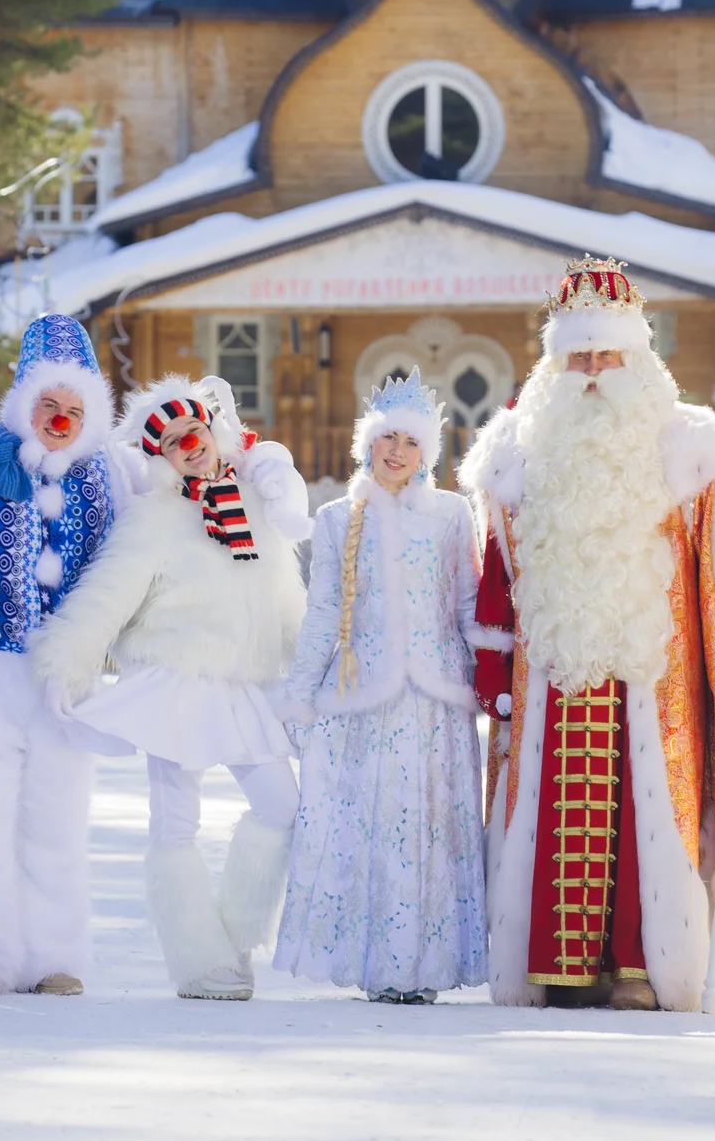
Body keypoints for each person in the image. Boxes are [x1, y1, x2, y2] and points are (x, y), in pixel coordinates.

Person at [460, 256, 715, 1013]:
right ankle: (560, 964)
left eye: (608, 354)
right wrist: (489, 670)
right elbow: (494, 580)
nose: (594, 371)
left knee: (647, 820)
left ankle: (641, 964)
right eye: (579, 356)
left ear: (639, 359)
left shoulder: (692, 450)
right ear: (554, 363)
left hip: (653, 673)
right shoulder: (514, 455)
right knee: (553, 815)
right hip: (550, 674)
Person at [32, 375, 311, 1000]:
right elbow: (110, 593)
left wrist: (313, 663)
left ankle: (232, 940)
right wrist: (68, 661)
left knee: (283, 808)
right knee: (175, 823)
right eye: (174, 441)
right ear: (161, 456)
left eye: (195, 432)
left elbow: (285, 599)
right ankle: (196, 961)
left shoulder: (256, 501)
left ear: (213, 433)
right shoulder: (155, 519)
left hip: (242, 685)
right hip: (173, 682)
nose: (190, 445)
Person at [0, 314, 132, 997]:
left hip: (66, 678)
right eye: (50, 404)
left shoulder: (107, 476)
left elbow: (139, 554)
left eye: (75, 409)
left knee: (57, 817)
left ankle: (52, 955)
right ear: (24, 400)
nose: (61, 419)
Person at [274, 371, 488, 1005]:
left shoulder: (451, 514)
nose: (397, 451)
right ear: (367, 444)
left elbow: (469, 603)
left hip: (434, 698)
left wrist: (491, 679)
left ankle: (426, 966)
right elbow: (322, 612)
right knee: (373, 823)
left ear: (429, 454)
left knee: (428, 827)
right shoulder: (339, 517)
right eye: (386, 438)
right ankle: (381, 964)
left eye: (411, 443)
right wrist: (300, 689)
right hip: (363, 696)